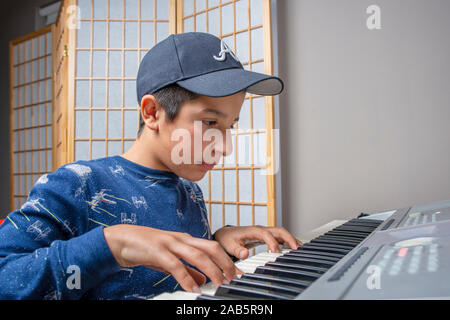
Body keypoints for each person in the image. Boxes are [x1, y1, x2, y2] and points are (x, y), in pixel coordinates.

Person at [0, 32, 301, 300]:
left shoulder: (190, 192)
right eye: (210, 122)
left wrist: (216, 246)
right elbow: (5, 276)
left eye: (229, 126)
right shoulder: (77, 183)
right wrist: (111, 245)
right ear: (152, 112)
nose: (224, 147)